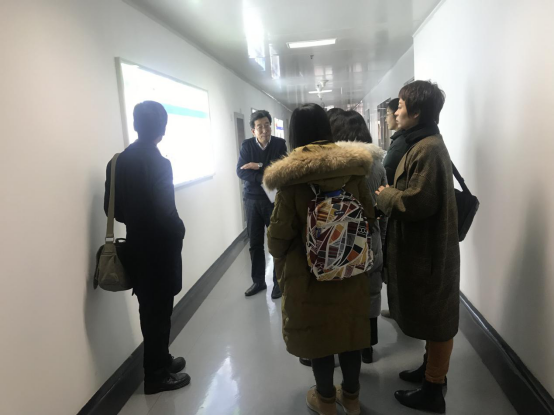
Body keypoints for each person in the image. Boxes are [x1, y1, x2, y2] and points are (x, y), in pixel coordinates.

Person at [265, 104, 374, 416]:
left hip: (308, 276)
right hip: (351, 266)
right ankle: (351, 398)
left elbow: (278, 237)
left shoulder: (291, 179)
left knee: (320, 337)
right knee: (350, 333)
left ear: (295, 133)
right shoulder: (353, 169)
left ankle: (325, 400)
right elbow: (369, 215)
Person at [375, 81, 460, 414]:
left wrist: (385, 196)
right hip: (427, 247)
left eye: (400, 105)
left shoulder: (427, 148)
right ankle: (429, 371)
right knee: (431, 314)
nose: (396, 111)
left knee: (437, 318)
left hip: (430, 251)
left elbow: (418, 201)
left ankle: (433, 389)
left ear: (417, 111)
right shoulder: (423, 142)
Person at [104, 101, 190, 395]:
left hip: (136, 246)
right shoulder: (160, 163)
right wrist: (180, 229)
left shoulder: (117, 162)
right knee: (159, 312)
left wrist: (136, 219)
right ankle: (155, 376)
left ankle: (162, 359)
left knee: (150, 309)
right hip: (160, 249)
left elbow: (111, 209)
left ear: (135, 125)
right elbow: (166, 212)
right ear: (162, 129)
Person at [331, 110, 388, 365]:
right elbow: (384, 206)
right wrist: (381, 240)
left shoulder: (329, 166)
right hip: (370, 235)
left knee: (341, 294)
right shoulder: (377, 165)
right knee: (371, 291)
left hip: (339, 238)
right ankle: (368, 347)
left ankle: (344, 346)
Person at [237, 110, 288, 299]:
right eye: (260, 127)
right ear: (253, 130)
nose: (264, 130)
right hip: (252, 201)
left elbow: (281, 169)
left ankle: (278, 282)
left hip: (272, 201)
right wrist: (264, 176)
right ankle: (258, 281)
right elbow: (241, 172)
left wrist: (257, 166)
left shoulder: (279, 144)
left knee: (276, 241)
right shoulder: (247, 146)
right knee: (255, 243)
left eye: (267, 125)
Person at [383, 98, 410, 186]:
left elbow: (388, 174)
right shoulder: (399, 139)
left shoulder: (400, 144)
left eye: (387, 114)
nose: (386, 119)